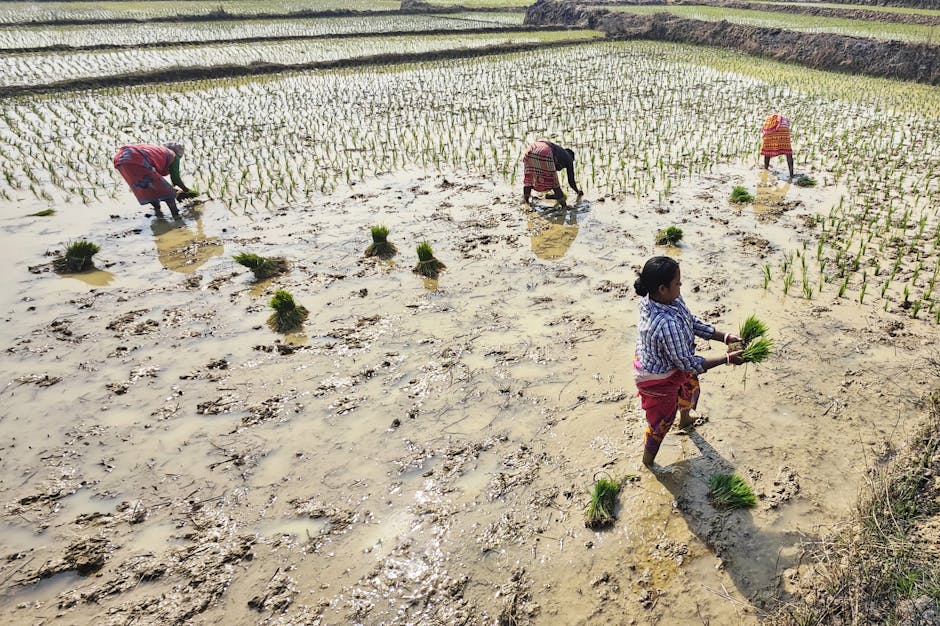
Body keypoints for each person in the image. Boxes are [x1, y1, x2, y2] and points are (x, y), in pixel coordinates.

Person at [633, 256, 744, 467]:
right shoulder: (665, 324)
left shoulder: (666, 299)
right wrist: (727, 358)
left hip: (675, 361)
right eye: (677, 283)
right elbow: (689, 364)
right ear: (662, 288)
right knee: (661, 423)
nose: (681, 286)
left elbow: (691, 322)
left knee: (689, 386)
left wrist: (725, 337)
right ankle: (648, 463)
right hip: (657, 377)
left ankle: (684, 420)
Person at [113, 142, 193, 216]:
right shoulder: (172, 155)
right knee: (168, 192)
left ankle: (158, 211)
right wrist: (188, 191)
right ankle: (176, 215)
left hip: (120, 159)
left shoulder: (156, 150)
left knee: (146, 186)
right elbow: (176, 180)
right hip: (136, 158)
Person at [522, 139, 582, 208]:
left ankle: (526, 201)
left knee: (530, 177)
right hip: (545, 152)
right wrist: (578, 191)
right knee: (554, 183)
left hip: (531, 149)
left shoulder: (559, 152)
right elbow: (571, 181)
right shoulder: (569, 159)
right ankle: (564, 207)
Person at [760, 114, 794, 178]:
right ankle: (791, 174)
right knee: (788, 152)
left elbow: (764, 130)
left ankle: (766, 168)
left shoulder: (768, 122)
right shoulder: (785, 121)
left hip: (772, 131)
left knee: (767, 150)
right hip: (784, 130)